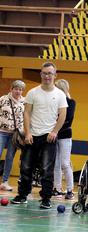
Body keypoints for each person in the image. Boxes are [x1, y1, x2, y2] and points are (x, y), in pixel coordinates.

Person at [11, 62, 68, 209]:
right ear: (41, 74)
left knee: (47, 170)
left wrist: (54, 131)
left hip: (49, 137)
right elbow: (27, 112)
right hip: (32, 136)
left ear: (55, 75)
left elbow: (62, 115)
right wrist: (28, 133)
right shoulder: (32, 92)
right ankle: (23, 195)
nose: (47, 76)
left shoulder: (60, 94)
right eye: (44, 73)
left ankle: (46, 198)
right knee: (26, 167)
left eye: (50, 73)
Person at [0, 80, 26, 191]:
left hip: (15, 134)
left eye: (20, 89)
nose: (18, 91)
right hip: (1, 131)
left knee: (10, 157)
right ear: (11, 89)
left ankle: (5, 182)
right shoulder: (2, 99)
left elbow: (27, 117)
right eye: (16, 89)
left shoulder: (25, 102)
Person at [52, 79, 76, 200]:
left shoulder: (71, 102)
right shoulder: (53, 101)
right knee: (55, 163)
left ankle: (70, 190)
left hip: (65, 135)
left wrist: (55, 129)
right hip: (52, 135)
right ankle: (57, 188)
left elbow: (68, 120)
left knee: (65, 163)